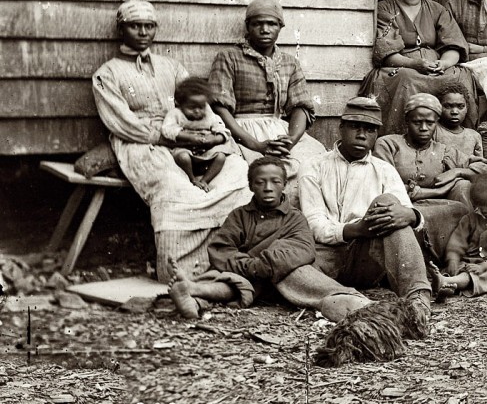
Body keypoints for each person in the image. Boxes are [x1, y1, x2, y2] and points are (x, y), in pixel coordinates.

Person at [92, 0, 251, 281]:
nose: (143, 32)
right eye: (135, 26)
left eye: (149, 26)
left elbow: (200, 104)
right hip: (142, 142)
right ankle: (182, 274)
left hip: (189, 137)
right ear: (121, 30)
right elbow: (119, 122)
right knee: (174, 186)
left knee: (237, 172)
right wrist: (164, 138)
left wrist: (214, 134)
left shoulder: (172, 67)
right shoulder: (108, 74)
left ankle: (231, 261)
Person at [167, 157, 360, 320]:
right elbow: (221, 249)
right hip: (245, 275)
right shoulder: (240, 215)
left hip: (278, 276)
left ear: (284, 185)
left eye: (275, 182)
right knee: (231, 281)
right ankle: (192, 295)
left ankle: (193, 290)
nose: (268, 188)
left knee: (289, 275)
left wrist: (262, 265)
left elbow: (302, 249)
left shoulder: (294, 217)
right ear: (251, 186)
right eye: (260, 182)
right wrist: (249, 266)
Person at [298, 97, 432, 327]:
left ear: (376, 135)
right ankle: (355, 302)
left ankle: (417, 301)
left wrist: (412, 216)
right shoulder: (314, 165)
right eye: (355, 127)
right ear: (341, 127)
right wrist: (355, 228)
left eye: (370, 130)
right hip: (326, 256)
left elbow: (403, 211)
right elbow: (314, 223)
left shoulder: (383, 170)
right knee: (290, 267)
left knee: (388, 202)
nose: (362, 135)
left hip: (368, 257)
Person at [208, 0, 327, 205]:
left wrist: (290, 141)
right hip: (240, 131)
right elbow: (220, 107)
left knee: (316, 162)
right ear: (248, 27)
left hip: (280, 131)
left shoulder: (290, 63)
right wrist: (255, 144)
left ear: (280, 27)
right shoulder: (229, 57)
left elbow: (301, 106)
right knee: (240, 174)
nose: (264, 29)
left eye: (271, 24)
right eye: (257, 24)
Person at [359, 0, 481, 134]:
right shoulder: (386, 8)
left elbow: (453, 45)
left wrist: (443, 63)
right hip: (402, 66)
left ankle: (460, 139)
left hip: (434, 66)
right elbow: (387, 54)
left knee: (460, 76)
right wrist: (416, 64)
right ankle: (401, 138)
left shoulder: (437, 9)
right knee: (406, 78)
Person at [373, 94, 483, 261]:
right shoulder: (389, 144)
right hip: (401, 206)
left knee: (463, 186)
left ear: (436, 123)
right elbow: (384, 184)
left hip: (435, 208)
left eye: (430, 123)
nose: (423, 128)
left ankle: (461, 253)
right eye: (417, 122)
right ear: (406, 121)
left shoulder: (444, 150)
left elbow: (485, 168)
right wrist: (437, 192)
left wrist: (457, 172)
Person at [431, 172, 487, 299]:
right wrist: (453, 259)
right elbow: (457, 240)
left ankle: (447, 283)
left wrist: (483, 266)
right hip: (468, 261)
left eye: (486, 206)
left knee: (479, 276)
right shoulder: (470, 218)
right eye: (477, 206)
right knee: (456, 269)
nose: (481, 210)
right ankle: (447, 283)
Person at [161, 77, 235, 192]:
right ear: (179, 104)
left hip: (205, 151)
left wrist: (215, 139)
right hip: (186, 150)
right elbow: (167, 129)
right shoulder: (176, 113)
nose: (197, 111)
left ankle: (205, 180)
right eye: (191, 107)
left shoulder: (208, 112)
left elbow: (220, 126)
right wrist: (189, 137)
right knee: (183, 157)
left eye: (201, 107)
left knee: (220, 156)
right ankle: (192, 178)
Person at [432, 83, 485, 159]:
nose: (454, 111)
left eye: (460, 106)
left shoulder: (474, 136)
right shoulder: (433, 131)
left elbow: (480, 165)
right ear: (439, 107)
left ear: (467, 107)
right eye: (448, 106)